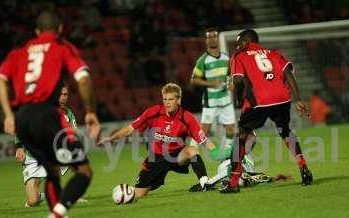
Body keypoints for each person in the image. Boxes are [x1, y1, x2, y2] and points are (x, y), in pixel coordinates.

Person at [0, 10, 100, 218]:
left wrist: (7, 114)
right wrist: (91, 111)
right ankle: (58, 213)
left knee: (52, 172)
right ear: (61, 29)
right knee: (84, 172)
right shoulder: (62, 47)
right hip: (47, 116)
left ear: (36, 32)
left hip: (23, 118)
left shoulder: (18, 52)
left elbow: (0, 79)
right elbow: (83, 78)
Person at [221, 29, 313, 193]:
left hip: (259, 100)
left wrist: (239, 100)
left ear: (245, 42)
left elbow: (238, 79)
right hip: (282, 98)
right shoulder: (274, 53)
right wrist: (297, 99)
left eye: (239, 43)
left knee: (241, 135)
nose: (238, 46)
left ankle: (233, 182)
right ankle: (304, 166)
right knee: (285, 131)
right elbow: (288, 74)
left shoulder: (239, 55)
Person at [99, 83, 227, 199]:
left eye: (171, 99)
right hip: (156, 158)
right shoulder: (153, 112)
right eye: (165, 99)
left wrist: (215, 151)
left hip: (176, 156)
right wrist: (111, 138)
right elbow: (130, 128)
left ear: (179, 100)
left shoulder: (187, 118)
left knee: (191, 150)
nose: (167, 103)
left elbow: (202, 139)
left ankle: (204, 182)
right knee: (138, 194)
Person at [15, 84, 87, 207]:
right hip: (33, 157)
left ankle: (72, 194)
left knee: (75, 159)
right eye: (60, 94)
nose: (63, 98)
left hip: (54, 154)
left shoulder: (68, 113)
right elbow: (22, 126)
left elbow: (72, 134)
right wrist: (19, 147)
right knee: (33, 201)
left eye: (65, 94)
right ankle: (44, 196)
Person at [190, 28, 236, 149]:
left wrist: (231, 83)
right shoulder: (203, 60)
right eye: (209, 37)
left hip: (225, 99)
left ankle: (226, 155)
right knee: (204, 130)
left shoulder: (226, 58)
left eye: (214, 36)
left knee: (231, 130)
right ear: (206, 41)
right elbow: (194, 79)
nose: (212, 39)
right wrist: (210, 83)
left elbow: (231, 74)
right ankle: (191, 150)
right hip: (211, 101)